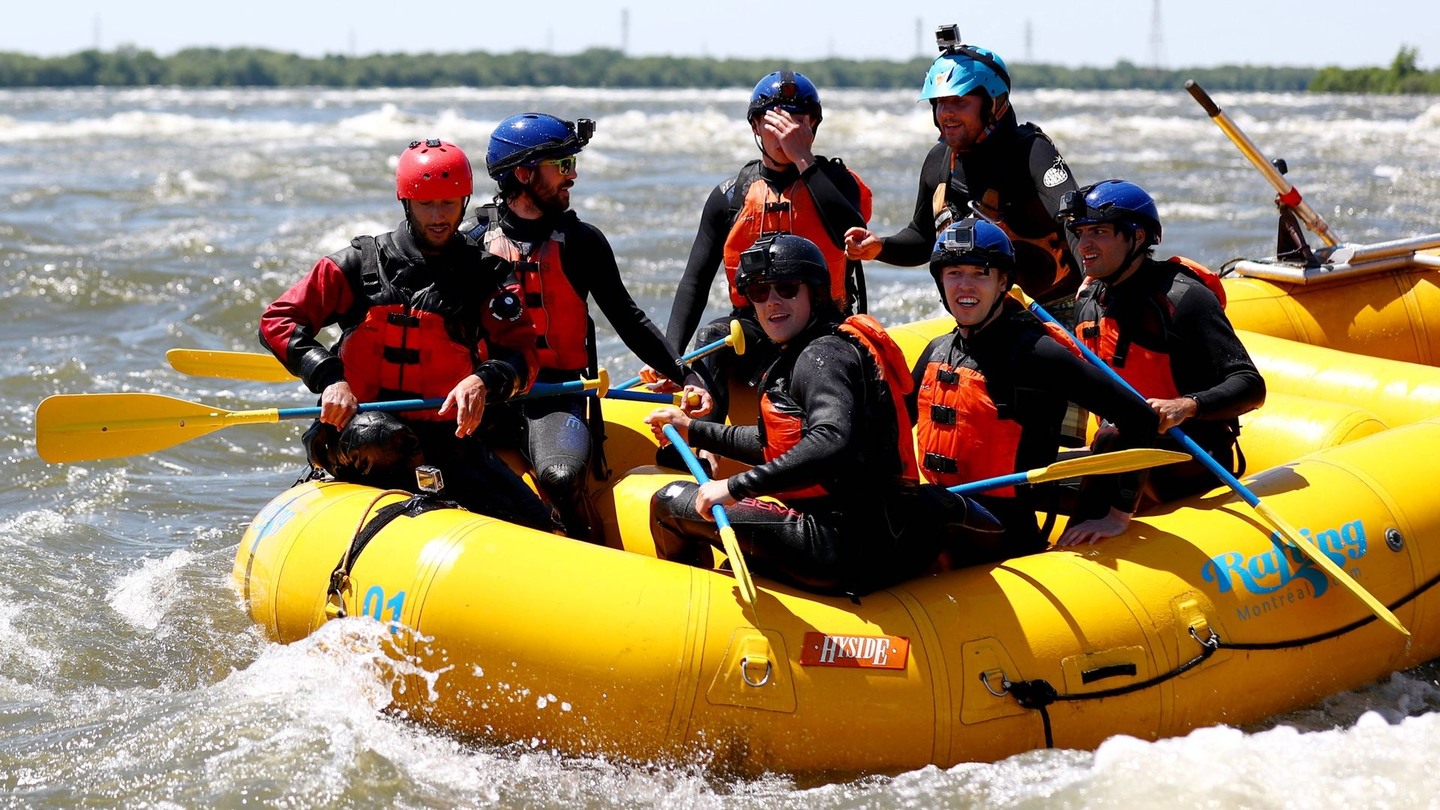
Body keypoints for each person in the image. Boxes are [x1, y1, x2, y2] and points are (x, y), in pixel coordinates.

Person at [645, 234, 1000, 595]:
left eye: (786, 288)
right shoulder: (811, 348)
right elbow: (780, 441)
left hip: (836, 546)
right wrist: (693, 430)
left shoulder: (822, 356)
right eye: (759, 292)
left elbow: (832, 439)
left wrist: (735, 486)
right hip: (869, 535)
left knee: (669, 501)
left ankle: (699, 607)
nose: (772, 302)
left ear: (814, 292)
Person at [258, 139, 558, 531]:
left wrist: (483, 380)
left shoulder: (485, 275)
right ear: (406, 203)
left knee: (541, 526)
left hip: (442, 439)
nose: (438, 216)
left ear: (464, 202)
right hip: (356, 434)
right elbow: (277, 320)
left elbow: (522, 354)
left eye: (448, 204)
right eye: (426, 204)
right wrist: (330, 378)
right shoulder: (358, 265)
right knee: (380, 434)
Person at [467, 113, 711, 541]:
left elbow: (629, 319)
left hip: (555, 394)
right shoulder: (470, 246)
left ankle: (589, 544)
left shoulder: (582, 243)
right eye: (562, 166)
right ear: (523, 174)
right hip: (490, 392)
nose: (573, 175)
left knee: (560, 476)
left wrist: (685, 374)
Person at [910, 218, 1161, 557]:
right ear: (941, 281)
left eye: (980, 273)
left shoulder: (1035, 353)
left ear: (1002, 283)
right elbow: (887, 430)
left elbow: (1139, 418)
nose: (965, 286)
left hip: (1004, 529)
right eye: (954, 273)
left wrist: (1118, 515)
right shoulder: (937, 351)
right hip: (950, 509)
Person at [662, 70, 871, 424]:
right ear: (756, 127)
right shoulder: (730, 196)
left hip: (827, 326)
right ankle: (702, 445)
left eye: (796, 121)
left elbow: (850, 235)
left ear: (812, 127)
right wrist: (669, 358)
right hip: (757, 329)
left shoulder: (839, 183)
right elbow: (694, 282)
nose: (784, 131)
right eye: (774, 121)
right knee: (715, 334)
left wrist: (803, 159)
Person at [1058, 179, 1266, 524]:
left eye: (1099, 232)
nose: (1084, 244)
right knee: (1027, 479)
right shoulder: (1090, 303)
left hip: (1190, 459)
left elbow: (1250, 384)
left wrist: (1185, 406)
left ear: (1137, 237)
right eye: (1080, 233)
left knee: (1114, 436)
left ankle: (1093, 532)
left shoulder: (1182, 299)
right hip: (1118, 454)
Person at [843, 27, 1081, 309]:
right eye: (940, 103)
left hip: (1058, 313)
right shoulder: (938, 161)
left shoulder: (1031, 152)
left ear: (994, 104)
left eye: (959, 101)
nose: (946, 113)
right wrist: (880, 247)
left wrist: (1094, 283)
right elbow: (922, 238)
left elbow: (1075, 219)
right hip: (983, 320)